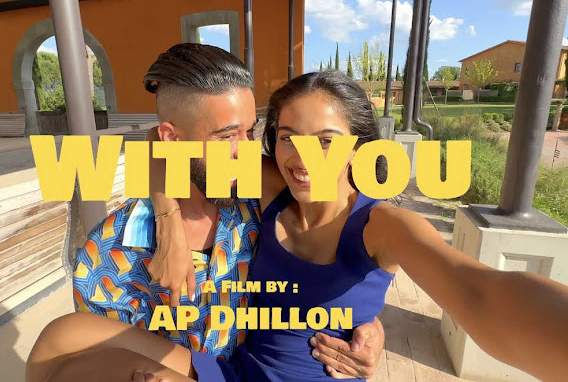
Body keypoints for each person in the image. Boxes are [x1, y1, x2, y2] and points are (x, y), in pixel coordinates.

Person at [60, 69, 568, 382]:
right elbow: (160, 143)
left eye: (326, 140)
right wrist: (169, 226)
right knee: (63, 339)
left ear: (358, 147)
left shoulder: (380, 225)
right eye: (287, 136)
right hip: (238, 371)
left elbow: (479, 293)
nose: (302, 157)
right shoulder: (275, 190)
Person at [25, 44, 384, 382]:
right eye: (226, 136)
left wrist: (367, 323)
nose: (244, 151)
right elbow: (94, 365)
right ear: (173, 139)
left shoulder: (260, 206)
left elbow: (330, 260)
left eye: (249, 131)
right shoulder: (108, 253)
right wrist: (167, 222)